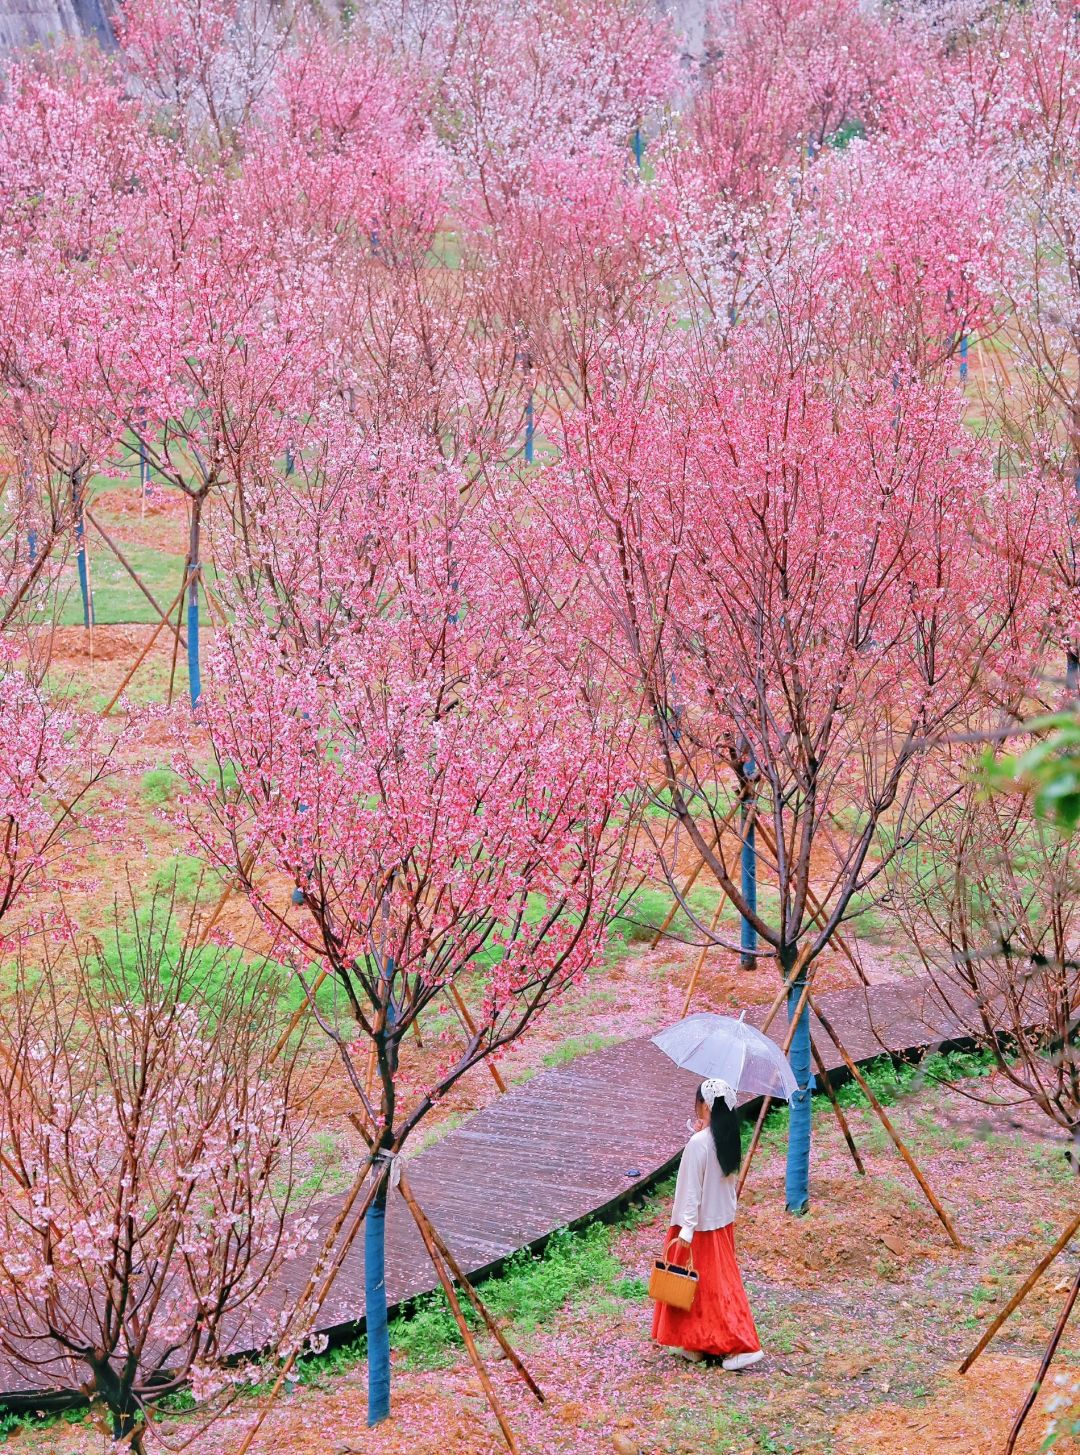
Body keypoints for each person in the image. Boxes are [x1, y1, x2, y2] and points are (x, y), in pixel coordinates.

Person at [651, 1077, 763, 1369]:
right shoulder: (727, 1136)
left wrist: (685, 1229)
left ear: (704, 1105)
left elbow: (691, 1190)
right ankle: (698, 1342)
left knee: (710, 1288)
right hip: (721, 1222)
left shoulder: (699, 1144)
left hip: (697, 1227)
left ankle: (744, 1344)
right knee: (704, 1288)